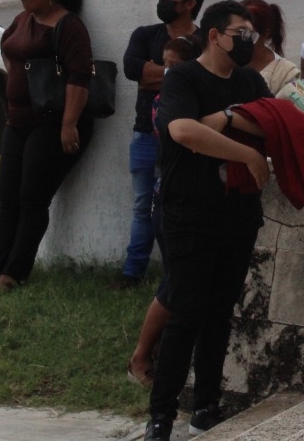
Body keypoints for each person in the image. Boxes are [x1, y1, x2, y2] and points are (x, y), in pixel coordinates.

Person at [145, 0, 274, 441]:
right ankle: (161, 415)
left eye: (251, 33)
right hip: (189, 213)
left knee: (220, 312)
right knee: (185, 311)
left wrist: (227, 119)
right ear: (214, 35)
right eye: (239, 32)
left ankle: (206, 405)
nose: (247, 40)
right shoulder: (183, 77)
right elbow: (183, 131)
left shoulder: (251, 79)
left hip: (237, 212)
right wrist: (243, 146)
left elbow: (272, 123)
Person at [0, 0, 94, 293]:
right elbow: (9, 53)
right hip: (18, 122)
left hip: (51, 125)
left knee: (32, 198)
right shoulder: (23, 20)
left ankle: (13, 274)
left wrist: (69, 124)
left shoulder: (68, 26)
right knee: (8, 198)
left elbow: (79, 77)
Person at [117, 0, 205, 289]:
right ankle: (132, 272)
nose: (163, 1)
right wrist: (180, 72)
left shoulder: (203, 40)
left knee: (180, 208)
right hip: (146, 134)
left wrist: (158, 74)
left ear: (190, 4)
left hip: (187, 139)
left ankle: (176, 274)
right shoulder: (146, 35)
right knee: (143, 205)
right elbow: (133, 70)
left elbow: (202, 80)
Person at [127, 35, 198, 389]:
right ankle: (141, 355)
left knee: (181, 283)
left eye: (175, 65)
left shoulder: (191, 94)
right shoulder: (165, 102)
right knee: (174, 282)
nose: (167, 72)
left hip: (189, 198)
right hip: (167, 198)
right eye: (165, 64)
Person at [242, 0, 299, 94]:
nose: (240, 40)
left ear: (265, 34)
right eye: (236, 33)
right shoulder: (226, 59)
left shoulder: (286, 74)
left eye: (248, 35)